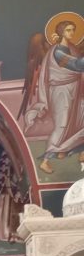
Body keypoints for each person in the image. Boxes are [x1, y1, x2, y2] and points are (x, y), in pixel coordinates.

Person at [23, 20, 84, 174]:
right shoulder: (58, 51)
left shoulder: (72, 48)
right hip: (61, 92)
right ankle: (46, 161)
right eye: (68, 30)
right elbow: (77, 65)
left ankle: (77, 152)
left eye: (73, 29)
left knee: (79, 121)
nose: (72, 33)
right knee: (62, 125)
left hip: (74, 90)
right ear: (61, 32)